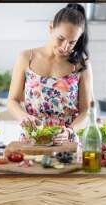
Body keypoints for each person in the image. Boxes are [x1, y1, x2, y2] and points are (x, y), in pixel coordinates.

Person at [7, 3, 93, 145]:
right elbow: (12, 101)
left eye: (72, 42)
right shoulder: (26, 58)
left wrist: (70, 131)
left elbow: (86, 111)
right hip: (32, 140)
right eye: (61, 38)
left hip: (66, 143)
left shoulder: (81, 65)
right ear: (51, 27)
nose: (64, 47)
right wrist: (23, 117)